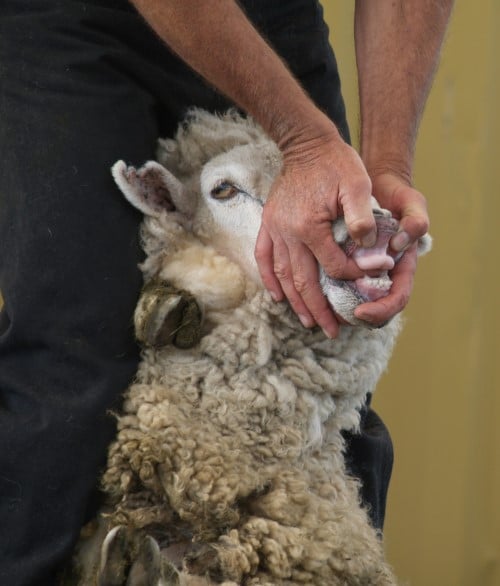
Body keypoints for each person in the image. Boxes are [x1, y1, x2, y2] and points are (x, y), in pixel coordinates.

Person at [0, 1, 453, 584]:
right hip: (65, 23)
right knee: (74, 348)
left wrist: (386, 169)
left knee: (323, 356)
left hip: (271, 15)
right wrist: (306, 142)